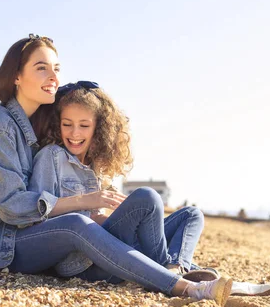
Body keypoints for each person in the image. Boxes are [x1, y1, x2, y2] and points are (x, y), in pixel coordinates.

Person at [0, 34, 233, 305]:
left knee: (169, 207)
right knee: (77, 224)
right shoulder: (1, 129)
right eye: (41, 68)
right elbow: (11, 207)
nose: (53, 77)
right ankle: (184, 286)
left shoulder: (33, 125)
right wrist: (87, 201)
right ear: (16, 76)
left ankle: (172, 268)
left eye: (56, 69)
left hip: (33, 239)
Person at [28, 81, 213, 284]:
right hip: (85, 261)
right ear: (58, 124)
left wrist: (120, 214)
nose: (75, 133)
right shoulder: (51, 157)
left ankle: (176, 267)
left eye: (84, 125)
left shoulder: (94, 165)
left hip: (115, 245)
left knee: (191, 214)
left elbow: (99, 217)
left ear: (98, 128)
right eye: (67, 124)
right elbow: (37, 214)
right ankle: (168, 272)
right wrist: (91, 205)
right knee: (147, 197)